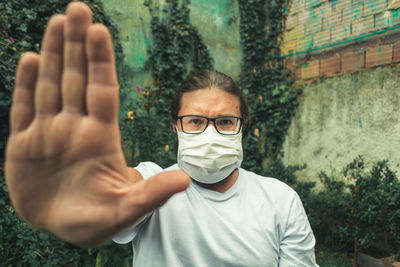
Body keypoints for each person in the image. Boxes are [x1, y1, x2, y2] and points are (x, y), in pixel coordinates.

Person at [5, 2, 318, 266]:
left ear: (243, 126)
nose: (210, 131)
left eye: (224, 121)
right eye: (195, 121)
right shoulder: (153, 186)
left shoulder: (280, 200)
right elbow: (124, 188)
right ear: (175, 126)